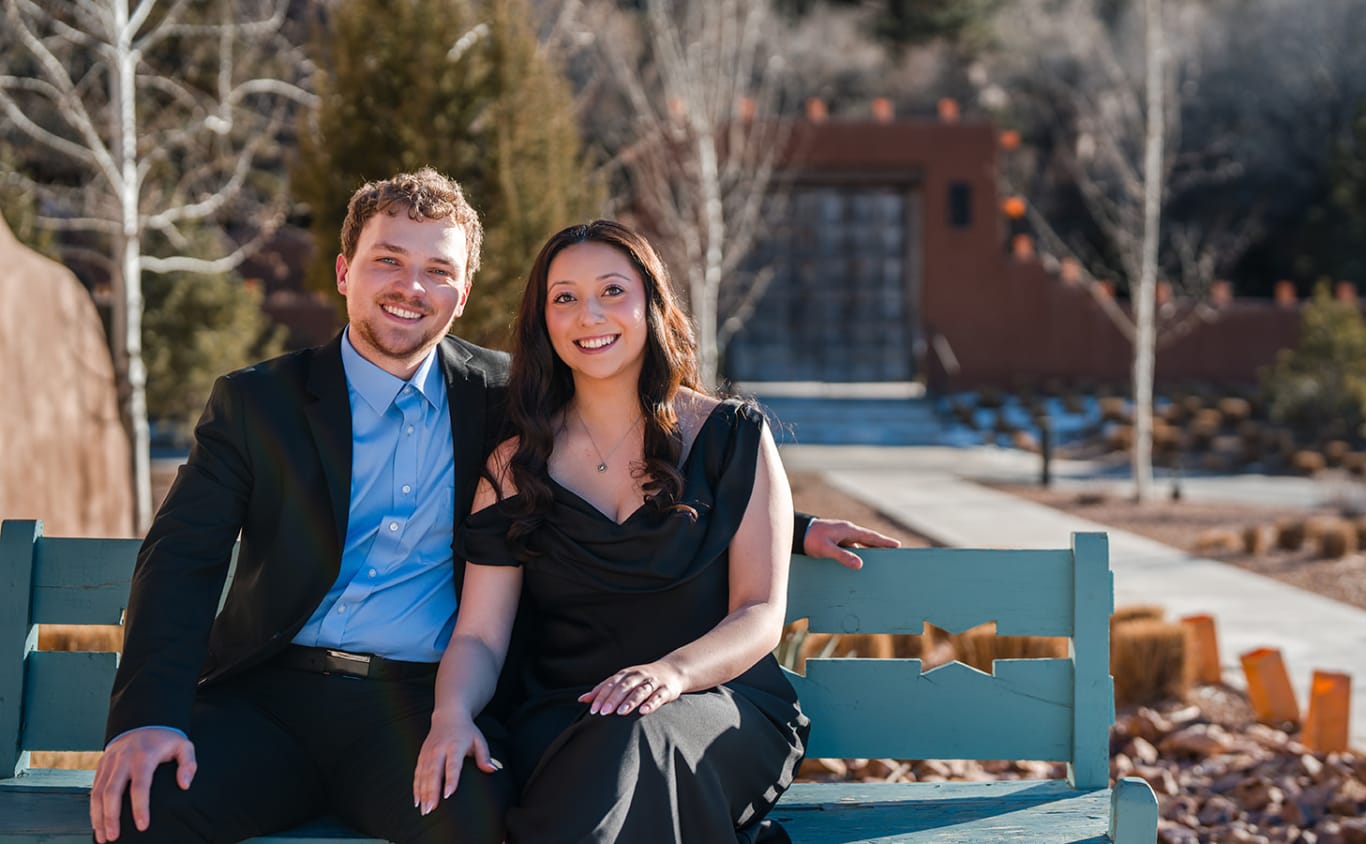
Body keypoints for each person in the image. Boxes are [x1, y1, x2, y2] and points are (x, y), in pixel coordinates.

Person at [90, 170, 897, 844]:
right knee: (139, 810)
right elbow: (182, 560)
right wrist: (146, 717)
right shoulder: (258, 404)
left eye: (437, 270)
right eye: (387, 262)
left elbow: (648, 467)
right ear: (344, 271)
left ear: (464, 291)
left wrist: (789, 528)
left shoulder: (503, 398)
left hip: (412, 705)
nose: (411, 288)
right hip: (271, 697)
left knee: (481, 818)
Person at [412, 220, 813, 843]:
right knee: (615, 750)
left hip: (716, 704)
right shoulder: (512, 466)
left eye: (612, 291)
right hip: (568, 717)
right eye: (564, 297)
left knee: (641, 739)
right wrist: (451, 713)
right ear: (542, 321)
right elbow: (481, 635)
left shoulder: (732, 437)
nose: (588, 315)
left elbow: (760, 612)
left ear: (651, 302)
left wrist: (672, 674)